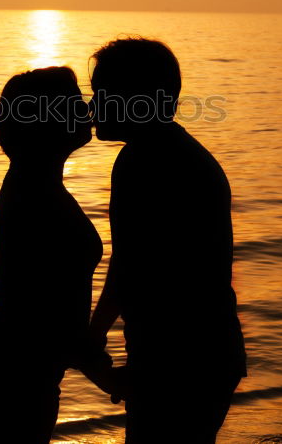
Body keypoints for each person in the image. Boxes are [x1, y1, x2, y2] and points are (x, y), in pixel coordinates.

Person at [86, 38, 247, 443]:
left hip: (178, 358)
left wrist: (92, 337)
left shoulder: (142, 162)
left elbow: (129, 266)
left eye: (101, 95)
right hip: (207, 353)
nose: (92, 108)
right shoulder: (179, 151)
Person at [0, 66, 114, 443]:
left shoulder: (40, 184)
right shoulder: (33, 194)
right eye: (76, 103)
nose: (88, 110)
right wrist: (99, 368)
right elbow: (38, 302)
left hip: (27, 362)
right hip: (14, 365)